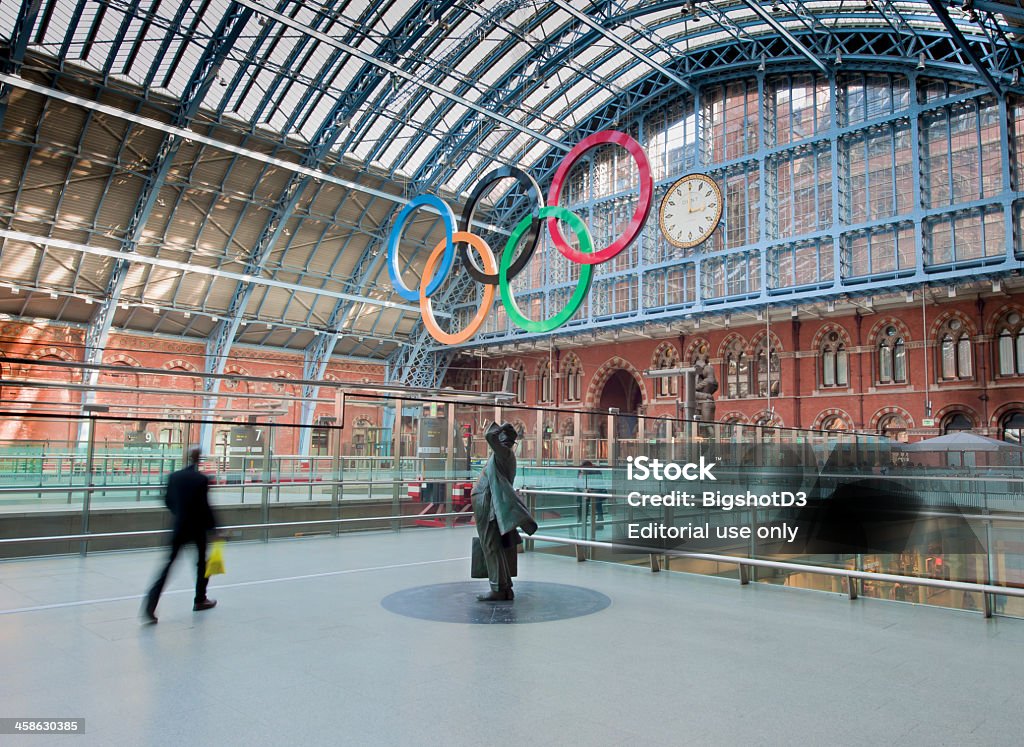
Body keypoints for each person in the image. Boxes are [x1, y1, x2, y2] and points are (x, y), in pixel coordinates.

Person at [143, 446, 218, 623]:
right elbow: (205, 507)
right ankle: (200, 599)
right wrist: (214, 528)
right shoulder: (201, 479)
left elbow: (167, 500)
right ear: (199, 459)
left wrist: (180, 514)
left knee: (168, 566)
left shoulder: (174, 477)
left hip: (179, 527)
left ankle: (151, 603)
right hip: (197, 528)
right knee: (202, 564)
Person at [471, 422, 538, 602]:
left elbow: (488, 435)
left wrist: (497, 429)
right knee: (495, 546)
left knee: (490, 546)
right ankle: (504, 586)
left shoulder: (504, 453)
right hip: (489, 502)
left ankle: (498, 588)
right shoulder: (504, 455)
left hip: (488, 503)